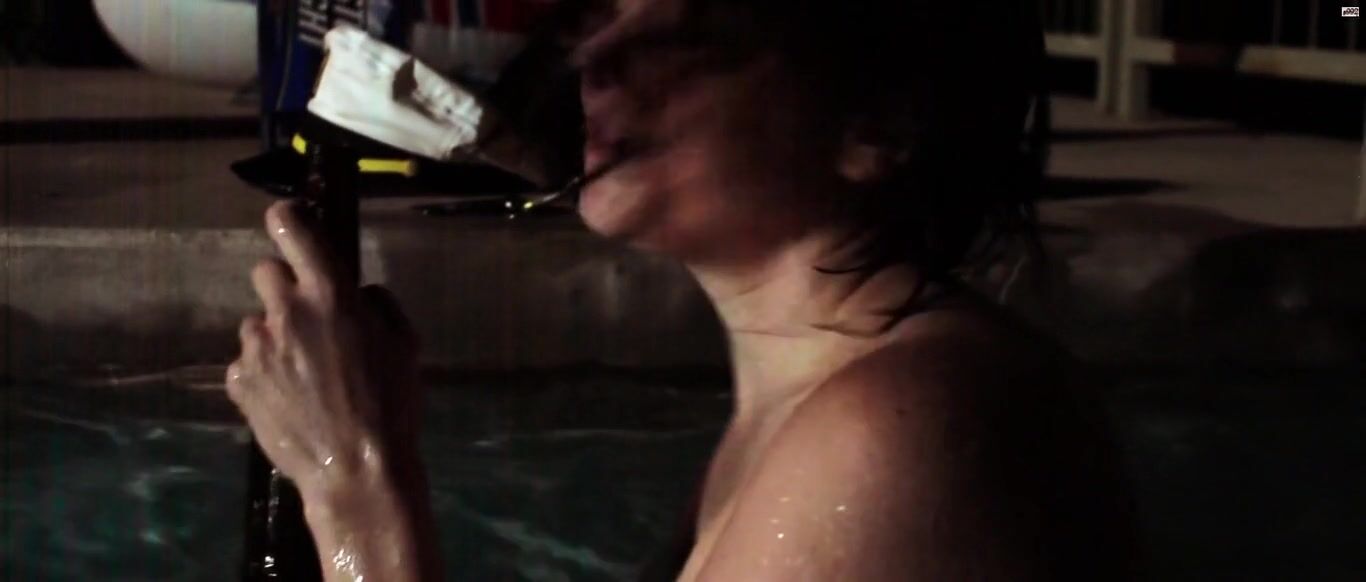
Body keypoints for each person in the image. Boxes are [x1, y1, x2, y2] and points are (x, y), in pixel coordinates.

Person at [226, 0, 1134, 580]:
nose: (598, 63)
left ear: (880, 121)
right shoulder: (816, 402)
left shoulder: (903, 430)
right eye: (607, 13)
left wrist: (356, 487)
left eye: (682, 31)